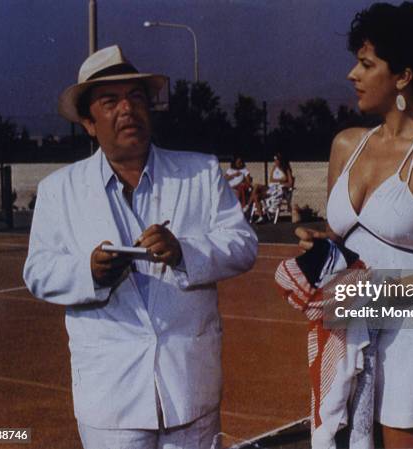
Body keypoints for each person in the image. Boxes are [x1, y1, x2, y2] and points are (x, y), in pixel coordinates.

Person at [23, 45, 258, 449]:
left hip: (189, 392)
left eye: (136, 98)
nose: (127, 110)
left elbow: (242, 244)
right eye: (110, 101)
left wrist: (185, 251)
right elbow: (38, 271)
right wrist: (89, 272)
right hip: (110, 401)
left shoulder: (200, 171)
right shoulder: (58, 190)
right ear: (89, 122)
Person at [296, 3, 413, 448]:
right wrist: (322, 245)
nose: (351, 75)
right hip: (348, 343)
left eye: (365, 64)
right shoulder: (345, 145)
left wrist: (375, 295)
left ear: (403, 77)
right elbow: (344, 241)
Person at [249, 152, 294, 223]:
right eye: (274, 160)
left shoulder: (286, 169)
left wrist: (280, 182)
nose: (275, 162)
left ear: (281, 161)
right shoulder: (274, 167)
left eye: (276, 160)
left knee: (256, 196)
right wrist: (281, 180)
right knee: (256, 187)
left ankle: (250, 208)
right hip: (271, 187)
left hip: (278, 189)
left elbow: (290, 184)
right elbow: (271, 179)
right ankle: (257, 213)